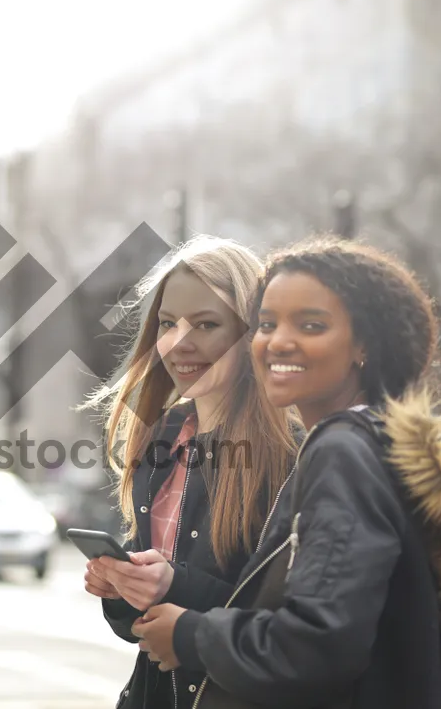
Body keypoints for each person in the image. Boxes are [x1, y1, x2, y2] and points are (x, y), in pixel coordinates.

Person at [133, 236, 441, 709]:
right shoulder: (392, 450)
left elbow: (316, 644)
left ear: (364, 343)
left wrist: (191, 636)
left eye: (311, 324)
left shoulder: (343, 450)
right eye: (266, 323)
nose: (278, 341)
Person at [80, 236, 301, 708]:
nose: (179, 343)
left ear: (250, 334)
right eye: (167, 323)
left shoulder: (292, 454)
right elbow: (146, 630)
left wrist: (173, 585)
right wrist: (121, 590)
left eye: (205, 324)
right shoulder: (159, 439)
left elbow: (294, 629)